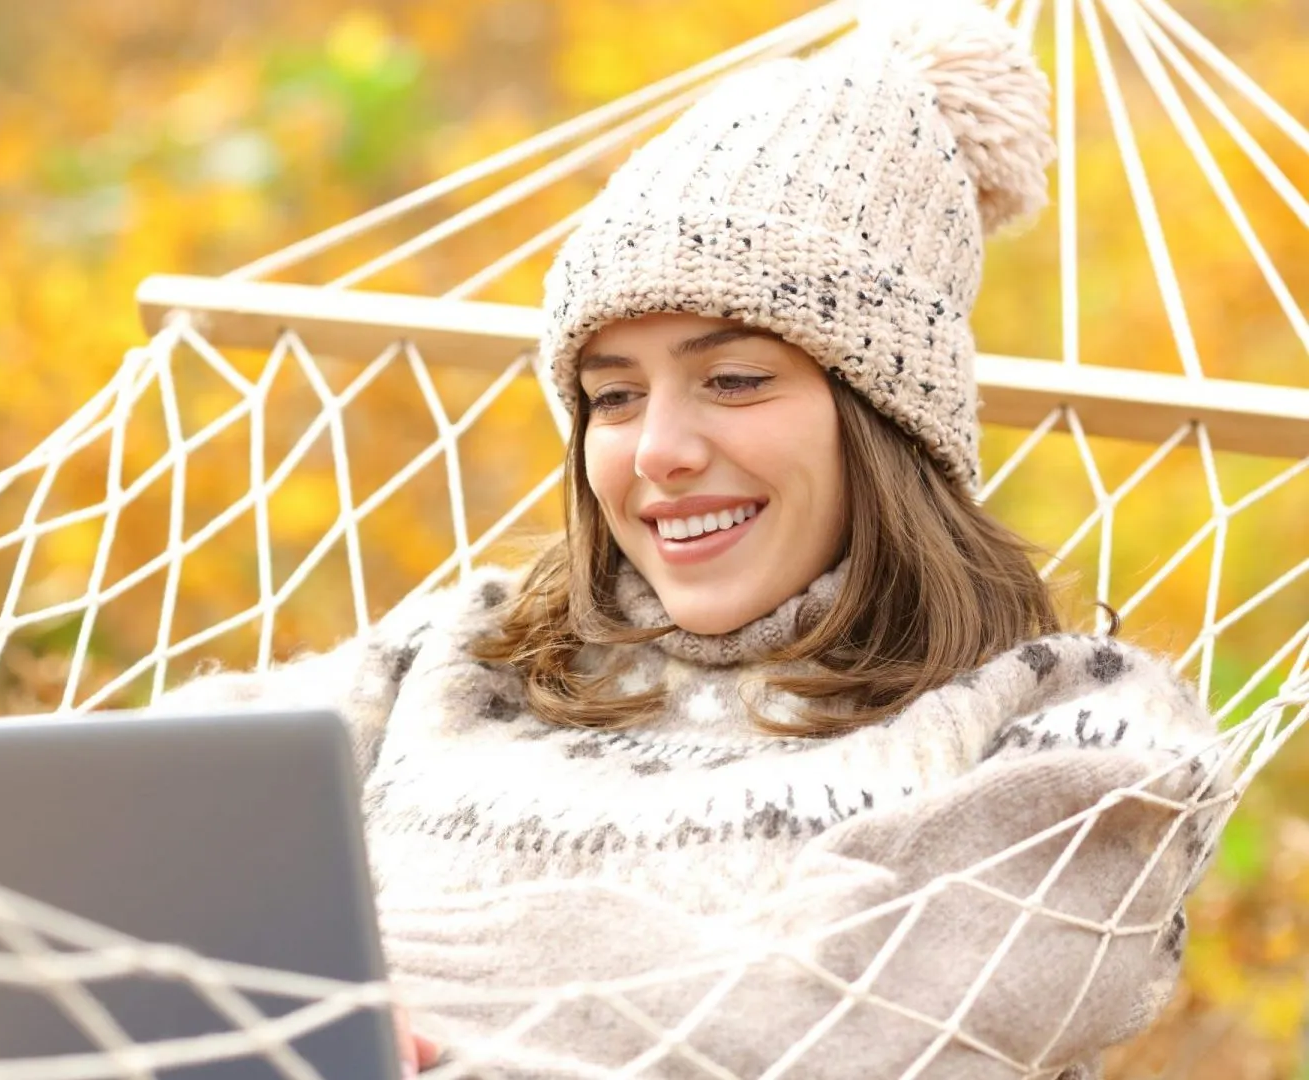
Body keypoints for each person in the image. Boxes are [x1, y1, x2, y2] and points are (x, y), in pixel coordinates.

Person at [159, 1, 1225, 1076]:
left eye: (735, 380)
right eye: (611, 399)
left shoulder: (1067, 725)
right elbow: (89, 842)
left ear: (885, 419)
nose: (657, 450)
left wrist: (374, 1002)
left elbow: (836, 1028)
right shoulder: (457, 657)